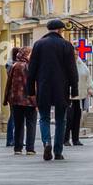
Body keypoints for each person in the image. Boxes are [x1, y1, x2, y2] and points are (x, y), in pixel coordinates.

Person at [26, 18, 78, 161]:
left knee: (44, 118)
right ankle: (58, 151)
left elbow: (32, 70)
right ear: (61, 30)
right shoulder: (67, 46)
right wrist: (74, 90)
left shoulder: (38, 45)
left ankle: (47, 142)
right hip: (62, 88)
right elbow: (72, 70)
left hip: (44, 87)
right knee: (61, 120)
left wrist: (30, 90)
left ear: (48, 30)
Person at [4, 46, 37, 156]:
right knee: (31, 124)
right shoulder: (30, 66)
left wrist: (6, 98)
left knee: (18, 124)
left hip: (16, 100)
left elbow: (8, 83)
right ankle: (30, 148)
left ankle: (17, 148)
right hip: (29, 100)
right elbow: (34, 84)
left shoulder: (14, 66)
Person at [65, 51, 90, 148]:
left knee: (77, 118)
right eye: (73, 54)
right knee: (69, 118)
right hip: (70, 96)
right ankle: (66, 139)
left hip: (79, 95)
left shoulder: (81, 65)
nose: (75, 56)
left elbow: (88, 77)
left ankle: (76, 139)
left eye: (76, 54)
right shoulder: (67, 64)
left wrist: (90, 88)